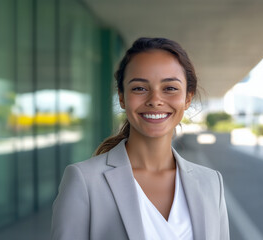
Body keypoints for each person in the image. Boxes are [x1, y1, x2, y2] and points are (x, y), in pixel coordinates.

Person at [51, 37, 230, 240]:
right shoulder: (84, 181)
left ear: (187, 98)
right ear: (121, 97)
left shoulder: (211, 182)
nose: (155, 100)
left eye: (170, 88)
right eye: (139, 88)